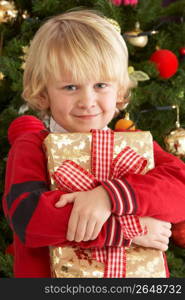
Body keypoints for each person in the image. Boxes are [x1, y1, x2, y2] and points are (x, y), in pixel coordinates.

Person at [3, 9, 185, 278]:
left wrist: (109, 197)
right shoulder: (32, 147)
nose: (87, 101)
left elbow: (180, 190)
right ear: (43, 93)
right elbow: (29, 219)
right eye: (70, 87)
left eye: (101, 85)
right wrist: (129, 229)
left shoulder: (134, 144)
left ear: (119, 91)